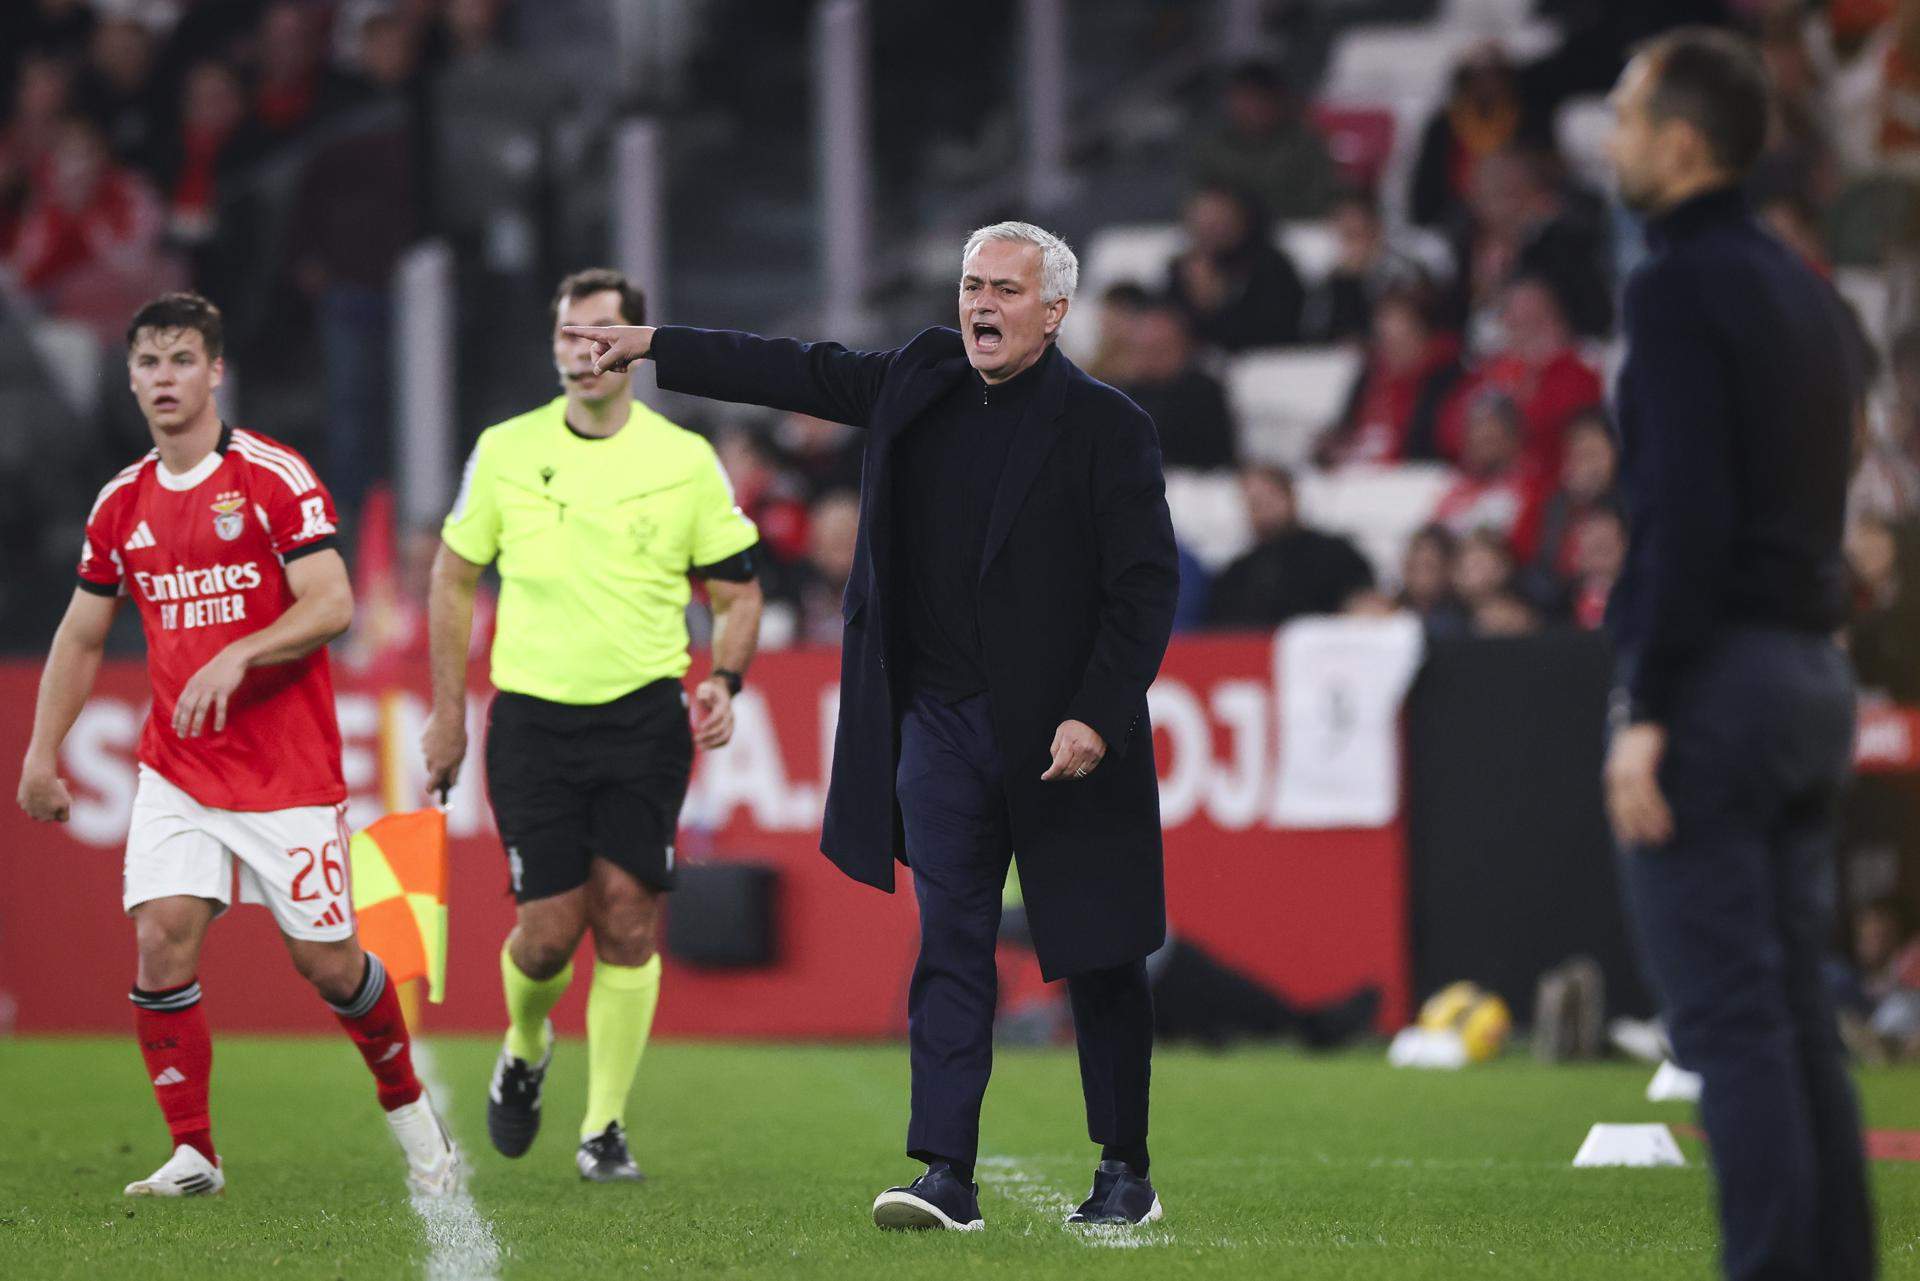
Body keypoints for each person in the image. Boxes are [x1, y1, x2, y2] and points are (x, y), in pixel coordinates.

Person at [564, 221, 1180, 1231]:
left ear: (1057, 312)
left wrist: (1098, 717)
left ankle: (1124, 1168)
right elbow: (794, 371)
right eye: (971, 285)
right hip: (938, 721)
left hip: (1066, 732)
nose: (979, 305)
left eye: (1006, 291)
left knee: (1100, 950)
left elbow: (1143, 589)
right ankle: (946, 1172)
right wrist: (653, 343)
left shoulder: (1109, 427)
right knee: (952, 943)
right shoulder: (920, 378)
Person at [13, 292, 456, 1199]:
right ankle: (194, 1152)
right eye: (148, 363)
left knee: (328, 964)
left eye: (182, 360)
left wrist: (240, 653)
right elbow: (82, 635)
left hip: (285, 768)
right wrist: (39, 752)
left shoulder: (269, 476)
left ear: (215, 371)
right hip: (179, 766)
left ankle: (411, 1108)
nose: (164, 378)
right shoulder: (120, 503)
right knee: (161, 938)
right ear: (130, 379)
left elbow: (331, 602)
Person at [1601, 30, 1875, 1280]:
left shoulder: (1672, 289)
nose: (1609, 136)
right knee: (1799, 1018)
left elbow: (1685, 516)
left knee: (1730, 1021)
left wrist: (1647, 703)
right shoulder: (1805, 286)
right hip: (1814, 673)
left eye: (1625, 112)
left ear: (1681, 139)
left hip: (1718, 681)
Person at [421, 268, 764, 1182]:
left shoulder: (683, 461)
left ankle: (603, 1126)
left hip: (644, 718)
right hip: (532, 717)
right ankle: (526, 1042)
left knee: (628, 918)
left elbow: (737, 590)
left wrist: (726, 676)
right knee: (545, 932)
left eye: (602, 332)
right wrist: (448, 713)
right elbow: (454, 577)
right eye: (569, 335)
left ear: (637, 343)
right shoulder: (504, 448)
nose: (583, 350)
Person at [1205, 465, 1374, 629]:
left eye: (1270, 497)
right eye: (1254, 502)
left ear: (1291, 496)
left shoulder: (1337, 556)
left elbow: (1364, 608)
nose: (1264, 508)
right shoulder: (1237, 575)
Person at [1316, 286, 1465, 467]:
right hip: (1363, 475)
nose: (1391, 350)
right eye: (1384, 339)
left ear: (1424, 335)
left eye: (1402, 339)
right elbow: (1345, 431)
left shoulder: (1447, 381)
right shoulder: (1370, 377)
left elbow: (1439, 445)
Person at [1189, 61, 1339, 223]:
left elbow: (1323, 200)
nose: (1252, 108)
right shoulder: (1212, 148)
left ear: (1277, 101)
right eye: (1244, 99)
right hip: (1227, 236)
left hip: (1296, 232)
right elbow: (1198, 199)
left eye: (1259, 99)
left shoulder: (1304, 144)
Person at [1165, 184, 1303, 351]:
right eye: (1203, 219)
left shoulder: (1271, 267)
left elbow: (1276, 331)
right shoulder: (1183, 269)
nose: (1209, 227)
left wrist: (1216, 305)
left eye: (1218, 219)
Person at [1108, 295, 1238, 471]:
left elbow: (1209, 456)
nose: (1148, 358)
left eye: (1158, 349)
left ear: (1182, 347)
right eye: (1141, 349)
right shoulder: (1123, 392)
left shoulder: (1203, 393)